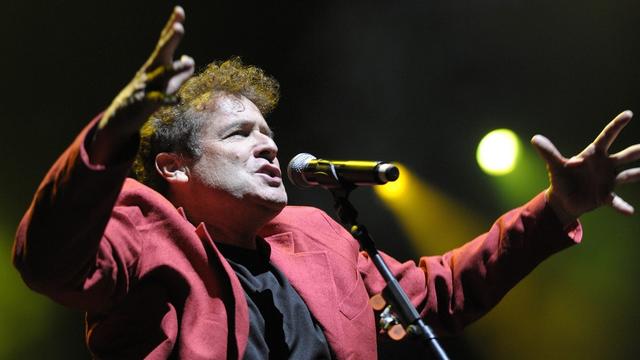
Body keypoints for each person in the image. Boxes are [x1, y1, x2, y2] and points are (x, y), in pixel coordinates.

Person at [12, 6, 640, 360]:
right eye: (239, 135)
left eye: (268, 133)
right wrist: (117, 127)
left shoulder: (317, 237)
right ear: (175, 166)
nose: (267, 145)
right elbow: (46, 259)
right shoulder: (142, 229)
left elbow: (440, 293)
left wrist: (557, 206)